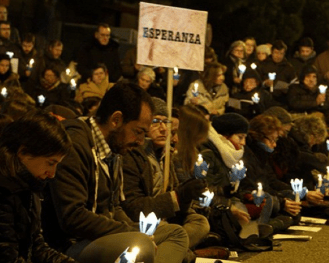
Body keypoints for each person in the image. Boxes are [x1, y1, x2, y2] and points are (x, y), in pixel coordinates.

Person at [42, 83, 189, 263]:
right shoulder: (74, 144)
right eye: (138, 131)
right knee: (142, 243)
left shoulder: (114, 148)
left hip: (104, 236)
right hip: (70, 245)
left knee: (176, 233)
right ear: (116, 120)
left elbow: (115, 207)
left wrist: (133, 230)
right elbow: (73, 217)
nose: (142, 141)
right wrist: (131, 233)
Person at [0, 111, 76, 262]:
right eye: (50, 163)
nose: (52, 174)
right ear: (23, 152)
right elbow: (2, 256)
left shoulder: (27, 180)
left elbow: (34, 245)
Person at [122, 97, 209, 249]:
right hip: (145, 220)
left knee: (199, 222)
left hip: (166, 217)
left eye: (166, 122)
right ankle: (179, 250)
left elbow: (176, 201)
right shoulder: (132, 155)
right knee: (173, 231)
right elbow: (134, 207)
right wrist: (179, 196)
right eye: (155, 121)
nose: (163, 128)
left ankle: (174, 247)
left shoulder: (166, 156)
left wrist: (188, 194)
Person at [241, 114, 301, 226]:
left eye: (276, 139)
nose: (274, 144)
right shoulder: (247, 156)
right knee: (268, 200)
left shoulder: (263, 156)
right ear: (257, 136)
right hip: (254, 198)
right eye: (271, 139)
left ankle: (275, 223)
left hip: (267, 194)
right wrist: (281, 202)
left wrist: (300, 193)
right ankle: (265, 227)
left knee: (291, 195)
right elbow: (251, 187)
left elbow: (271, 181)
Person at [259, 40, 297, 107]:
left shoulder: (288, 68)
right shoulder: (263, 65)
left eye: (281, 53)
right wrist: (265, 83)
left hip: (282, 101)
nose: (278, 56)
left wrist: (277, 84)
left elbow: (293, 86)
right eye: (276, 53)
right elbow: (257, 80)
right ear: (272, 52)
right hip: (264, 100)